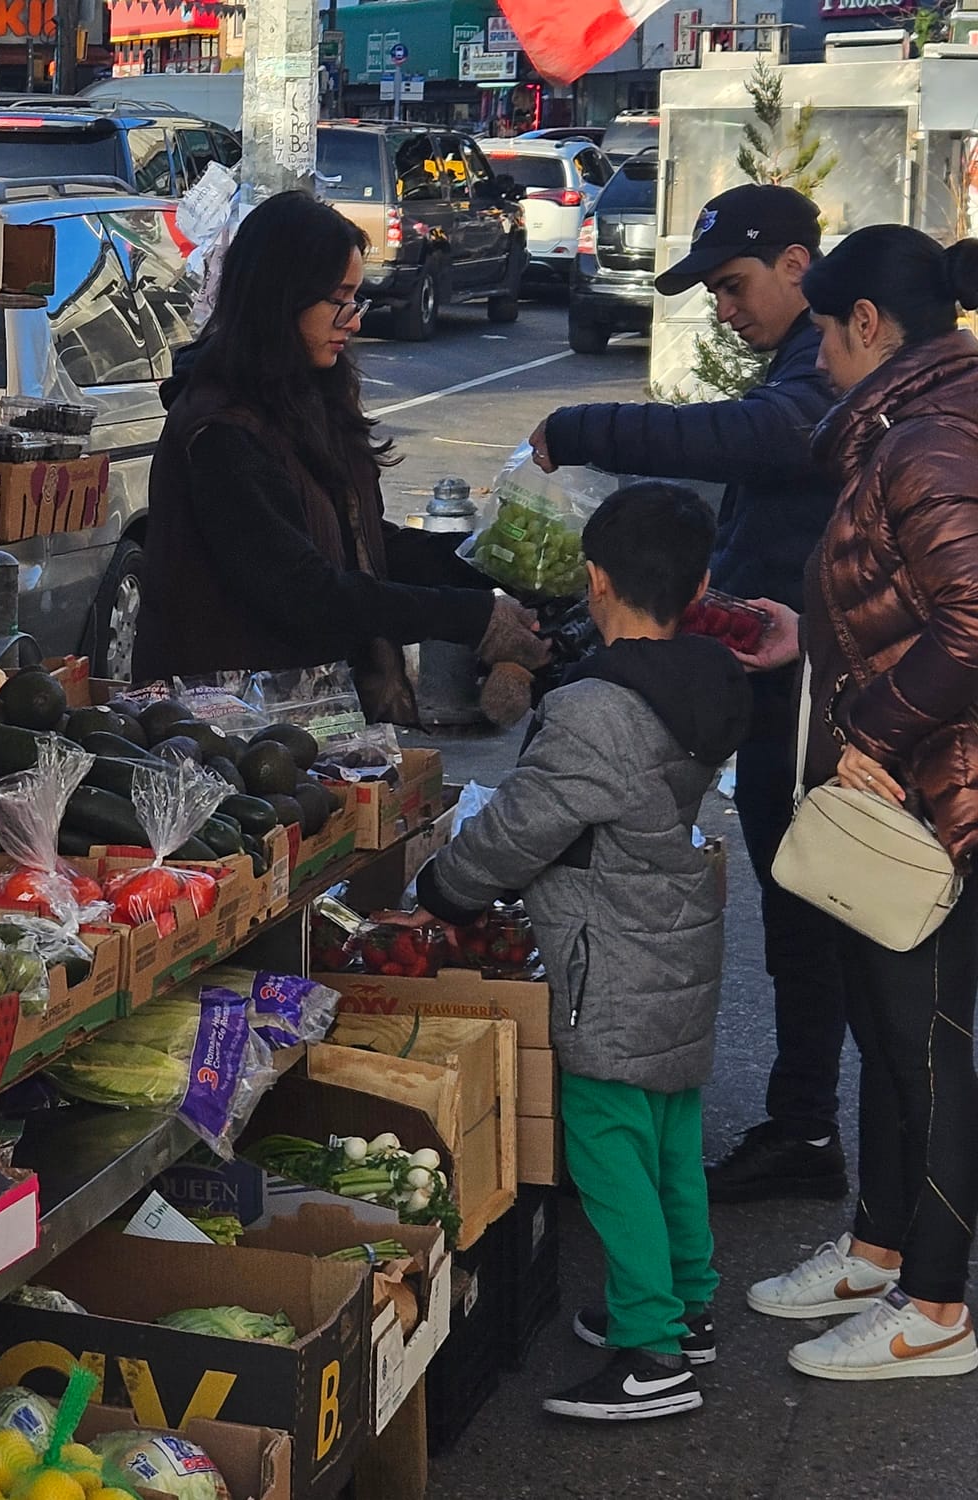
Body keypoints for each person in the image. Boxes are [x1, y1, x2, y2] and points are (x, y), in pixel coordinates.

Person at [528, 184, 848, 1204]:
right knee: (795, 915)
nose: (722, 307)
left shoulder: (817, 375)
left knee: (807, 920)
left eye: (732, 284)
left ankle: (808, 1136)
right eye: (712, 291)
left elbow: (751, 438)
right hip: (777, 677)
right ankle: (802, 1126)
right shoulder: (797, 359)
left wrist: (583, 426)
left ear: (796, 266)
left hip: (812, 697)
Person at [410, 482, 752, 1420]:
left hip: (612, 963)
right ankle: (688, 1303)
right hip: (674, 948)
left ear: (595, 582)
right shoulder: (703, 679)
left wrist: (442, 887)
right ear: (700, 584)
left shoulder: (601, 709)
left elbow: (521, 826)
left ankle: (652, 1352)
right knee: (669, 1139)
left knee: (607, 1149)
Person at [732, 226, 978, 1381]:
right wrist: (809, 645)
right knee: (890, 1036)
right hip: (916, 786)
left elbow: (973, 621)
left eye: (824, 332)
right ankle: (881, 1247)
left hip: (935, 797)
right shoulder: (914, 423)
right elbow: (906, 599)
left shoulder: (922, 438)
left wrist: (868, 734)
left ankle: (931, 1308)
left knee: (924, 1046)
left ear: (865, 326)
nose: (818, 356)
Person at [134, 190, 546, 721]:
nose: (354, 321)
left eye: (359, 299)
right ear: (281, 299)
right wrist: (470, 617)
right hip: (222, 723)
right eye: (340, 299)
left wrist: (488, 559)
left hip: (305, 710)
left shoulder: (309, 395)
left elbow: (364, 544)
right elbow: (304, 589)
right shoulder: (219, 431)